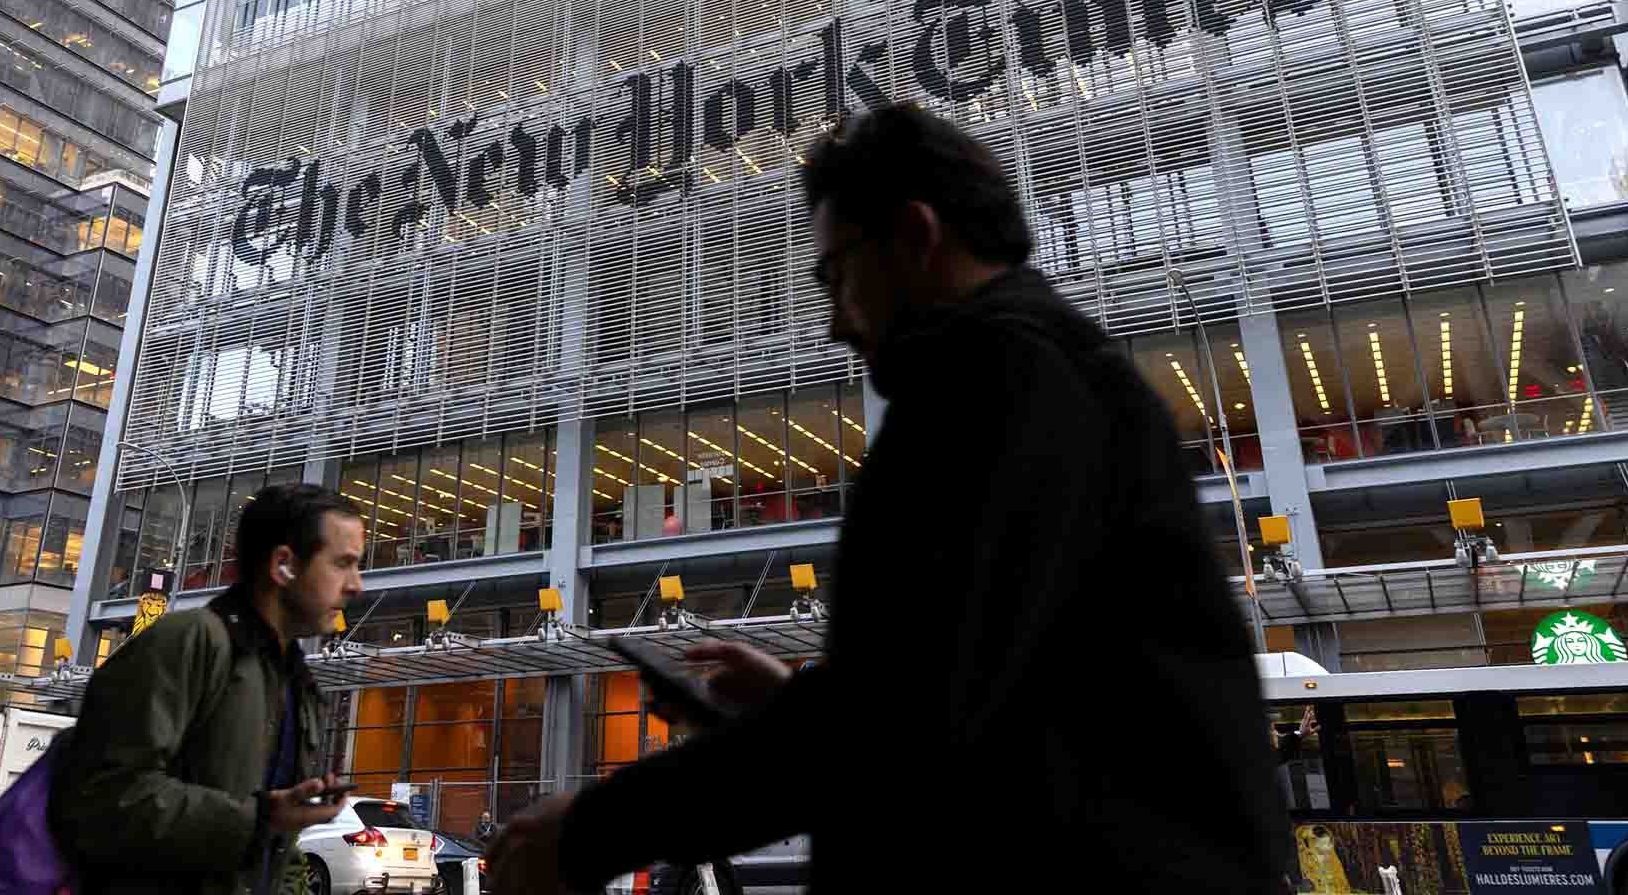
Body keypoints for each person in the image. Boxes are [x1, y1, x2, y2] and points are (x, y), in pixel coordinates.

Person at [487, 103, 1292, 893]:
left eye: (834, 274)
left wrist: (590, 831)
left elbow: (902, 718)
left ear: (913, 234)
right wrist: (796, 704)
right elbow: (979, 692)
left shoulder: (992, 378)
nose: (835, 322)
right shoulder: (1041, 370)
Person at [50, 482, 366, 895]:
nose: (356, 584)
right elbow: (102, 800)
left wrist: (275, 829)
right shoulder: (186, 643)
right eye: (342, 563)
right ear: (283, 565)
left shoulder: (292, 678)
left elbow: (275, 852)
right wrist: (260, 817)